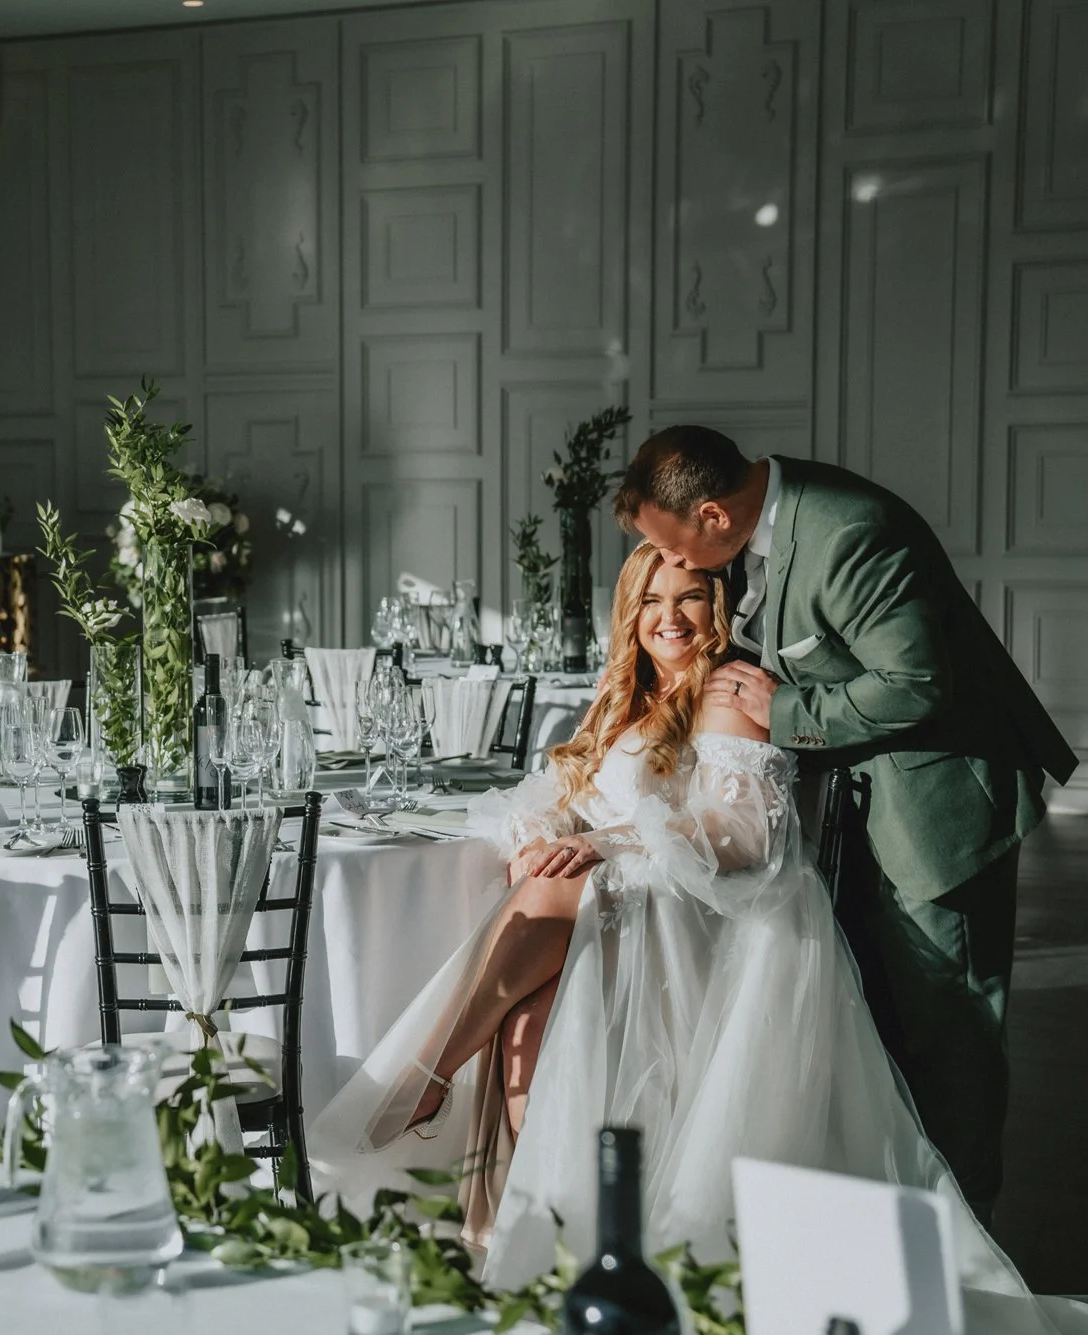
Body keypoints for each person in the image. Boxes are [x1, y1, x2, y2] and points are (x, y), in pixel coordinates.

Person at [309, 543, 1035, 1307]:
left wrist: (604, 844)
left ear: (716, 607)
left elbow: (743, 830)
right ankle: (556, 1239)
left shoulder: (725, 693)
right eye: (652, 601)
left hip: (702, 916)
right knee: (526, 1021)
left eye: (688, 598)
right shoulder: (626, 695)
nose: (669, 618)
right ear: (631, 612)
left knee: (547, 899)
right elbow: (559, 794)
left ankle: (423, 1078)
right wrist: (542, 834)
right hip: (622, 904)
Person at [612, 426, 1076, 1225]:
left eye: (672, 544)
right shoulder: (770, 517)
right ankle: (894, 1231)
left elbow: (919, 681)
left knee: (950, 1028)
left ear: (715, 515)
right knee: (885, 1024)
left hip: (935, 809)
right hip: (859, 812)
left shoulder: (849, 530)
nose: (677, 565)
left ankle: (968, 1247)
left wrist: (786, 709)